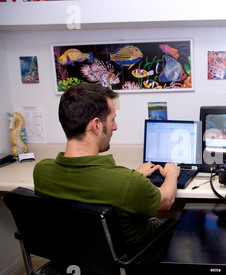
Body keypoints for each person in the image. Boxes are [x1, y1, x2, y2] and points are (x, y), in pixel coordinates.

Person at [33, 83, 180, 247]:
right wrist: (172, 174)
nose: (115, 127)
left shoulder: (41, 171)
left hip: (80, 256)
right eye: (112, 119)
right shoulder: (127, 183)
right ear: (96, 125)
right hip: (137, 256)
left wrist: (134, 175)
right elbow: (167, 200)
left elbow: (102, 186)